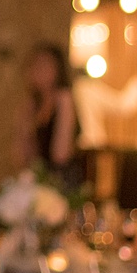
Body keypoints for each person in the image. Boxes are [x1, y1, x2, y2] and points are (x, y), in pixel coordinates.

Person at [15, 43, 83, 187]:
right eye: (35, 65)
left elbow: (61, 155)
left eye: (44, 65)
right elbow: (23, 158)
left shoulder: (64, 99)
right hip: (40, 180)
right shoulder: (32, 106)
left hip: (62, 181)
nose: (38, 70)